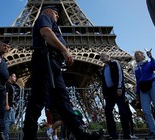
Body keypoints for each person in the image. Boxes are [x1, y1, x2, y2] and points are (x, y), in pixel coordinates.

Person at [22, 5, 103, 140]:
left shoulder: (53, 22)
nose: (58, 16)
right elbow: (45, 32)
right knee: (37, 99)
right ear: (47, 11)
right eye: (55, 13)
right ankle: (29, 136)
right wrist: (65, 50)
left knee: (64, 102)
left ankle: (81, 134)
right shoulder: (44, 17)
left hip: (54, 64)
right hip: (45, 60)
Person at [100, 52, 131, 139]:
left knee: (122, 111)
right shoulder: (103, 68)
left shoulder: (115, 62)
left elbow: (120, 75)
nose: (101, 57)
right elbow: (103, 82)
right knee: (108, 112)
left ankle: (126, 134)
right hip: (109, 93)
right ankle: (113, 134)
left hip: (117, 90)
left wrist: (120, 87)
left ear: (108, 56)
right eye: (100, 56)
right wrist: (105, 94)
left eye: (103, 55)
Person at [134, 50, 155, 139]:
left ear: (143, 56)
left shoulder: (149, 63)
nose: (136, 56)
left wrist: (151, 57)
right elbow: (137, 80)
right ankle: (153, 131)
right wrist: (137, 93)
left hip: (152, 84)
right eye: (135, 55)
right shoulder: (136, 68)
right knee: (146, 111)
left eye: (138, 54)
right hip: (143, 88)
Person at [4, 72, 18, 140]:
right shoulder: (7, 84)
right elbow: (6, 94)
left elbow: (11, 97)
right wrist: (7, 104)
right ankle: (5, 137)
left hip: (12, 106)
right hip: (8, 106)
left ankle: (3, 131)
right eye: (14, 76)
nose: (15, 78)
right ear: (10, 77)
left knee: (12, 121)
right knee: (7, 121)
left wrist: (14, 105)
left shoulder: (11, 86)